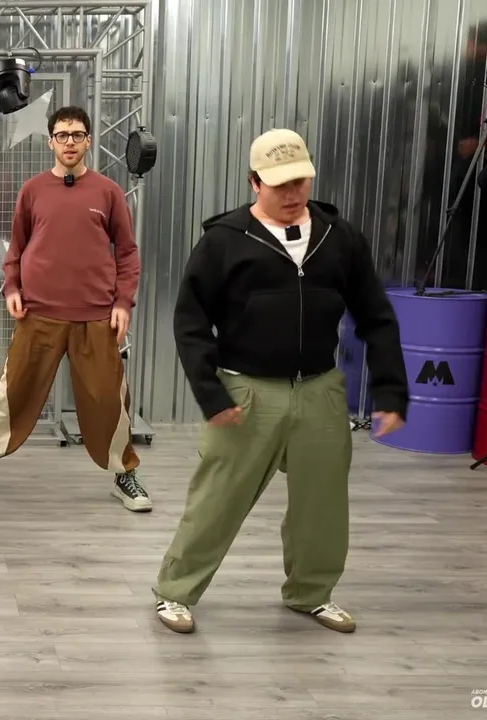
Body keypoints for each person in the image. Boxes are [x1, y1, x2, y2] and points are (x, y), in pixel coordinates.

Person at [153, 128, 408, 634]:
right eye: (279, 184)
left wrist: (391, 390)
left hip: (321, 392)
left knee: (323, 504)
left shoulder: (339, 238)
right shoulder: (224, 241)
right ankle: (174, 592)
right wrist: (210, 393)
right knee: (218, 500)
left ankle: (311, 593)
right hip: (246, 392)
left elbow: (376, 316)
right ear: (254, 182)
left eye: (300, 181)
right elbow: (190, 323)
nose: (292, 194)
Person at [0, 106, 149, 512]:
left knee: (109, 399)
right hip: (38, 314)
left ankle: (124, 474)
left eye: (77, 135)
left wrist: (122, 302)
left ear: (88, 141)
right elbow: (17, 247)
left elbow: (128, 253)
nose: (69, 142)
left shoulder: (109, 192)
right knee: (13, 393)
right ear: (50, 142)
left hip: (96, 316)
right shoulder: (33, 190)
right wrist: (12, 287)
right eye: (62, 135)